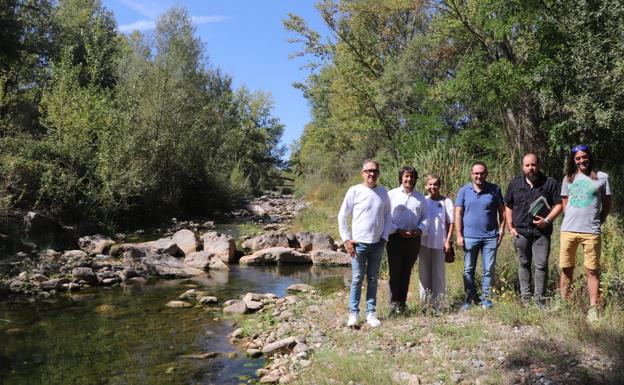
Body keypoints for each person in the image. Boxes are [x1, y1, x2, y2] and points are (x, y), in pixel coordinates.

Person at [559, 144, 611, 321]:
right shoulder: (569, 178)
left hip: (591, 232)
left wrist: (597, 221)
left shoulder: (602, 177)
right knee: (566, 268)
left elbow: (607, 204)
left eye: (584, 157)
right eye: (578, 158)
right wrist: (572, 218)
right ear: (574, 160)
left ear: (590, 157)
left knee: (592, 270)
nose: (582, 160)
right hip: (568, 230)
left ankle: (593, 309)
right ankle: (564, 303)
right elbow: (565, 203)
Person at [338, 160, 392, 328]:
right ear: (362, 173)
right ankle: (353, 314)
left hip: (377, 244)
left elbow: (388, 215)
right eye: (368, 171)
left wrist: (384, 237)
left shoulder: (383, 192)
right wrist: (346, 239)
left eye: (374, 171)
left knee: (373, 279)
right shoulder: (354, 190)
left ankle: (371, 313)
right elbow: (342, 215)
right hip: (358, 244)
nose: (371, 174)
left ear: (378, 173)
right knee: (357, 279)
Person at [505, 154, 562, 306]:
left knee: (541, 264)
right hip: (521, 232)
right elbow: (508, 206)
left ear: (539, 165)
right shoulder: (515, 183)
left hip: (541, 233)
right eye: (528, 165)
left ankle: (539, 300)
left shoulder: (550, 183)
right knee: (524, 263)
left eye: (534, 165)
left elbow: (559, 204)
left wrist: (547, 220)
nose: (531, 168)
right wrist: (510, 227)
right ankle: (526, 299)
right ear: (523, 167)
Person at [455, 161, 505, 309]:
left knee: (488, 269)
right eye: (476, 173)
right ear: (471, 174)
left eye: (482, 173)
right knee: (468, 270)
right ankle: (469, 299)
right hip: (469, 236)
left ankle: (486, 299)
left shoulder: (495, 189)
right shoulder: (464, 190)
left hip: (490, 237)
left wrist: (502, 229)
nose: (479, 176)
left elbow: (503, 211)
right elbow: (458, 213)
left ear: (486, 174)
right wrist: (458, 235)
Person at [386, 166, 429, 315]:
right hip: (395, 238)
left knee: (406, 272)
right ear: (401, 178)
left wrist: (419, 230)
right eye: (406, 176)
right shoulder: (391, 195)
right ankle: (393, 305)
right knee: (395, 271)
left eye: (412, 177)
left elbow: (425, 217)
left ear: (415, 179)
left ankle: (402, 304)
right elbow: (386, 217)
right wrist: (398, 230)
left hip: (413, 239)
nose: (409, 179)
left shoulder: (420, 197)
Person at [419, 174, 454, 311]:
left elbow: (451, 223)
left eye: (435, 184)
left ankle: (438, 305)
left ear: (439, 186)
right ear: (426, 186)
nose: (433, 187)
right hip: (424, 243)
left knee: (438, 275)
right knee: (424, 274)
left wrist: (448, 242)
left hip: (440, 243)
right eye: (430, 184)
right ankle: (424, 305)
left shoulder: (446, 201)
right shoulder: (423, 200)